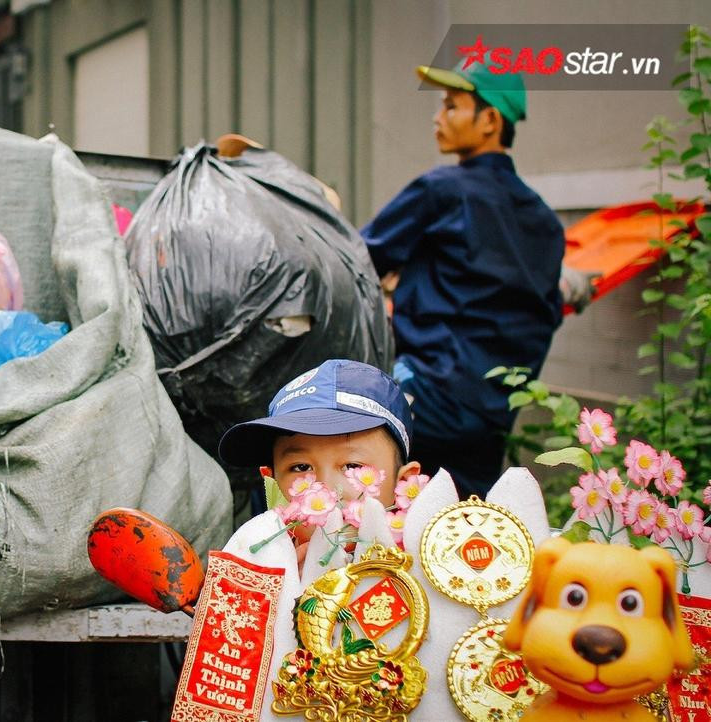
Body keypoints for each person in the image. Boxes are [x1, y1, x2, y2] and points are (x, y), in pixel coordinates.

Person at [361, 60, 565, 499]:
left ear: (490, 120)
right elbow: (548, 312)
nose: (438, 117)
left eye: (452, 106)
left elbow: (359, 260)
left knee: (381, 514)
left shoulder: (443, 191)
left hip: (426, 397)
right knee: (470, 529)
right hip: (494, 413)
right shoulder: (546, 222)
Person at [214, 358, 423, 720]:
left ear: (406, 481)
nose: (327, 487)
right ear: (272, 481)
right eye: (300, 468)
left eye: (353, 467)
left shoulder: (430, 565)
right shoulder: (260, 562)